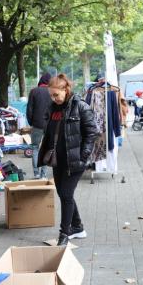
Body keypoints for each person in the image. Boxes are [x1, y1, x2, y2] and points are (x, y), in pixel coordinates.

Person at [38, 73, 98, 246]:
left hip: (75, 160)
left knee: (65, 194)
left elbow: (91, 133)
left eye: (56, 94)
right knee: (65, 195)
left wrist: (83, 156)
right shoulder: (52, 108)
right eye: (51, 95)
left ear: (66, 90)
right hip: (58, 160)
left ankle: (65, 233)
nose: (53, 98)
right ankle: (78, 227)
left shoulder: (81, 107)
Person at [27, 72, 51, 179]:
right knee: (46, 149)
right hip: (49, 124)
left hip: (37, 124)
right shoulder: (52, 92)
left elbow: (29, 109)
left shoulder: (34, 91)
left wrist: (31, 122)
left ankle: (36, 173)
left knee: (35, 148)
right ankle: (43, 175)